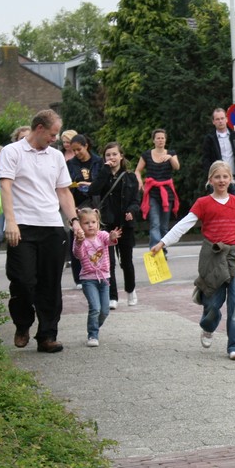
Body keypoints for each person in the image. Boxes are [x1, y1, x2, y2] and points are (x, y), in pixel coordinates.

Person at [151, 160, 235, 360]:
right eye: (217, 177)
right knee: (213, 303)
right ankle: (208, 326)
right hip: (212, 258)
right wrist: (162, 242)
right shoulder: (202, 203)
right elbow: (184, 225)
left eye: (225, 176)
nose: (221, 180)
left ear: (230, 179)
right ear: (210, 180)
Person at [0, 109, 83, 354]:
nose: (55, 139)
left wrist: (74, 221)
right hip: (22, 226)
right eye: (53, 134)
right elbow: (6, 187)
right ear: (39, 128)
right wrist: (11, 222)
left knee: (50, 284)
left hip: (51, 226)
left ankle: (47, 335)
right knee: (23, 281)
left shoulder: (56, 157)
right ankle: (22, 323)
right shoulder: (12, 152)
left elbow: (63, 192)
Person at [89, 141, 140, 308]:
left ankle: (131, 290)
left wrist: (131, 211)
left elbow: (136, 201)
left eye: (114, 154)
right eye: (108, 155)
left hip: (125, 224)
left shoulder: (130, 177)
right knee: (108, 262)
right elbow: (93, 190)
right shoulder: (103, 175)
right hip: (107, 224)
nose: (111, 157)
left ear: (121, 156)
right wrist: (104, 171)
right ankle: (113, 296)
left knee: (126, 261)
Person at [74, 207, 122, 347]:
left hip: (104, 278)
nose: (90, 225)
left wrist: (113, 237)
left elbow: (109, 241)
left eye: (93, 222)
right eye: (86, 223)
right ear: (80, 225)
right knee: (95, 308)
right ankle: (93, 334)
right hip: (88, 279)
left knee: (104, 311)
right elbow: (79, 255)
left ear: (98, 223)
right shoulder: (80, 240)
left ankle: (94, 326)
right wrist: (79, 242)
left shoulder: (102, 235)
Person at [203, 107, 235, 241]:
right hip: (218, 179)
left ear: (226, 119)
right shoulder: (210, 139)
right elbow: (206, 160)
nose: (220, 121)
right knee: (218, 209)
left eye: (222, 118)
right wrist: (210, 178)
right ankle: (220, 240)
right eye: (217, 119)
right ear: (213, 121)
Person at [66, 135, 103, 288]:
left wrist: (90, 185)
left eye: (79, 149)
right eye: (73, 150)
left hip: (95, 204)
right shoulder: (70, 164)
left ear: (86, 146)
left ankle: (99, 272)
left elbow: (102, 182)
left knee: (97, 240)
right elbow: (65, 186)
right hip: (77, 205)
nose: (76, 153)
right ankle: (79, 278)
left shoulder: (98, 161)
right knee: (77, 239)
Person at [135, 128, 180, 250]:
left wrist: (170, 158)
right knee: (155, 223)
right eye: (158, 138)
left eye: (162, 138)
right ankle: (155, 250)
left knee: (164, 226)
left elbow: (177, 167)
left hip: (167, 193)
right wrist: (140, 181)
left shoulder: (171, 153)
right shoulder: (146, 155)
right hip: (152, 193)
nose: (160, 140)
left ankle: (162, 249)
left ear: (165, 140)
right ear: (153, 140)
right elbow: (137, 170)